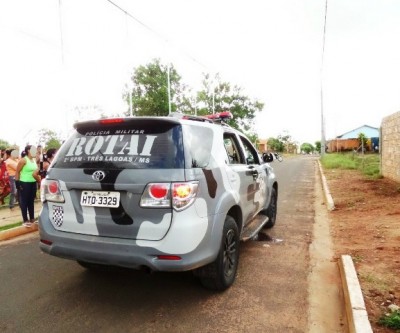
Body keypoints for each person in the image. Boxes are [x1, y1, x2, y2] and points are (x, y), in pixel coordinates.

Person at [15, 145, 40, 227]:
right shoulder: (23, 160)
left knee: (31, 201)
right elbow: (17, 172)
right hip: (24, 183)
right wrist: (17, 183)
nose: (35, 151)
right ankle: (25, 220)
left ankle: (32, 218)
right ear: (28, 151)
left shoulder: (34, 160)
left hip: (33, 182)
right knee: (24, 201)